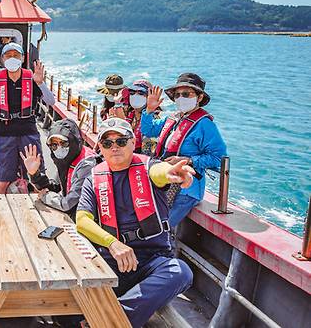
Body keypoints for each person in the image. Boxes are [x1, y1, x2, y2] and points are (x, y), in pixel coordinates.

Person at [76, 118, 194, 327]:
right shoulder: (93, 178)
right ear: (100, 148)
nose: (115, 147)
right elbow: (82, 220)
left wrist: (171, 172)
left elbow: (161, 172)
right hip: (113, 258)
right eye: (107, 143)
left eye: (121, 141)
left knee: (180, 272)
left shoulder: (150, 168)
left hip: (153, 258)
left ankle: (110, 319)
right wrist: (112, 243)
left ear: (132, 143)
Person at [141, 73, 227, 227]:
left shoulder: (205, 125)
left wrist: (188, 160)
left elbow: (218, 158)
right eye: (177, 94)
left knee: (161, 227)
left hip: (186, 191)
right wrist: (148, 111)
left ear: (199, 98)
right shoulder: (173, 118)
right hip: (164, 180)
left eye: (186, 94)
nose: (181, 98)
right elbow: (148, 130)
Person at [0, 42, 56, 194]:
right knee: (3, 180)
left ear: (23, 58)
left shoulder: (32, 79)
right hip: (5, 135)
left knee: (37, 177)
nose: (12, 58)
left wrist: (41, 83)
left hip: (28, 133)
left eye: (16, 55)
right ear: (3, 59)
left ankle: (43, 213)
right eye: (8, 55)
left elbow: (51, 101)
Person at [20, 119, 98, 217]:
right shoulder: (65, 159)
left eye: (64, 143)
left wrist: (45, 196)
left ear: (73, 141)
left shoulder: (87, 164)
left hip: (86, 218)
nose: (59, 148)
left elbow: (68, 204)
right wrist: (34, 174)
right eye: (54, 145)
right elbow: (54, 187)